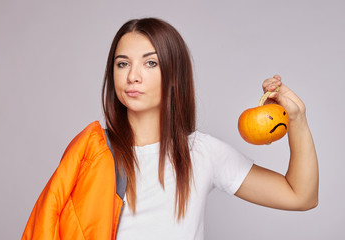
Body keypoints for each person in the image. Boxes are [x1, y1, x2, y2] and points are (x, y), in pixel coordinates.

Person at [22, 18, 318, 240]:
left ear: (173, 74)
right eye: (122, 63)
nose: (133, 76)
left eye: (150, 63)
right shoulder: (92, 151)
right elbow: (48, 224)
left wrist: (298, 120)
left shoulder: (202, 152)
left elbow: (300, 196)